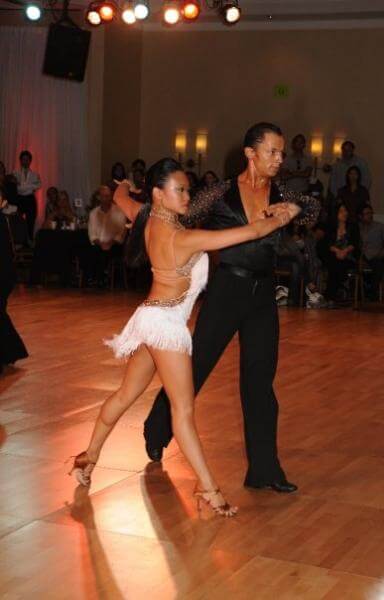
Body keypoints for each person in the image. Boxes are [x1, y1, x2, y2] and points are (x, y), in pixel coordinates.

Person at [69, 157, 300, 517]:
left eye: (188, 189)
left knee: (126, 395)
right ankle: (208, 488)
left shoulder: (148, 216)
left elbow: (118, 196)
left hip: (149, 317)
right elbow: (252, 233)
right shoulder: (183, 237)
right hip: (165, 327)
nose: (188, 196)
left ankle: (90, 455)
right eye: (180, 190)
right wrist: (283, 216)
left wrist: (125, 187)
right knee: (184, 410)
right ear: (160, 194)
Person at [142, 123, 319, 492]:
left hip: (263, 293)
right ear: (250, 153)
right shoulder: (220, 193)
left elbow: (315, 208)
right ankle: (157, 428)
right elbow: (180, 218)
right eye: (272, 151)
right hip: (227, 289)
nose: (279, 159)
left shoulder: (281, 191)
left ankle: (264, 471)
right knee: (197, 365)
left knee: (259, 381)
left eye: (282, 152)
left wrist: (297, 204)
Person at [0, 194, 28, 373]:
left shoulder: (1, 220)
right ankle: (10, 352)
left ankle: (9, 353)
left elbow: (6, 254)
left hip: (3, 274)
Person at [325, 204, 361, 304]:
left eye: (345, 210)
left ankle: (330, 296)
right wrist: (338, 251)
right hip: (334, 255)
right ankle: (334, 295)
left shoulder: (353, 226)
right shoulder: (331, 226)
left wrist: (344, 251)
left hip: (348, 255)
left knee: (337, 265)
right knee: (335, 263)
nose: (344, 213)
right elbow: (328, 243)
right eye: (341, 211)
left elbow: (354, 243)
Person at [359, 205, 384, 299]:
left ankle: (372, 293)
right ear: (361, 216)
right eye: (366, 214)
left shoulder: (379, 226)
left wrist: (383, 250)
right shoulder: (359, 228)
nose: (369, 215)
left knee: (378, 267)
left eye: (370, 213)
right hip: (363, 255)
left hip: (375, 254)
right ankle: (359, 293)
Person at [13, 150, 41, 242]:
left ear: (30, 161)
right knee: (17, 221)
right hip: (19, 199)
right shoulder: (15, 173)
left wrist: (22, 186)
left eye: (27, 159)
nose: (25, 161)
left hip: (30, 200)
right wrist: (30, 187)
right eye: (23, 159)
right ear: (20, 161)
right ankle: (18, 242)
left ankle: (29, 243)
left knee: (30, 223)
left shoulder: (35, 174)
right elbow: (16, 189)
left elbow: (39, 185)